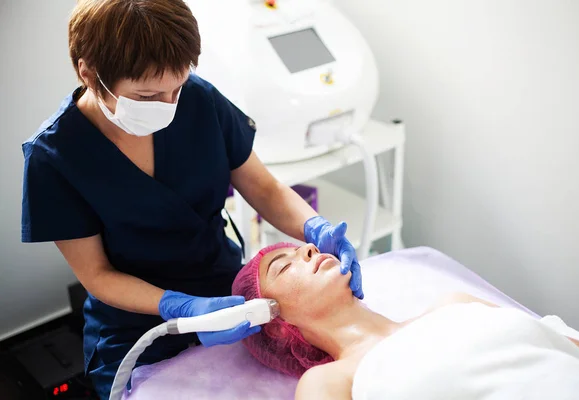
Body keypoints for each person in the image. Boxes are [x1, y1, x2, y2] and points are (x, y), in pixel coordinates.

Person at [20, 1, 363, 398]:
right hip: (136, 325)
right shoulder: (55, 157)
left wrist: (314, 227)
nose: (169, 106)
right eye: (146, 95)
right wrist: (180, 308)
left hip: (232, 298)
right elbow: (97, 276)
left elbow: (265, 189)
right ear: (89, 72)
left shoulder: (198, 100)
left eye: (176, 88)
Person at [232, 242, 579, 400]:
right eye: (284, 265)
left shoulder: (454, 303)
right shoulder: (330, 380)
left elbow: (578, 352)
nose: (309, 249)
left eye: (300, 247)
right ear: (276, 323)